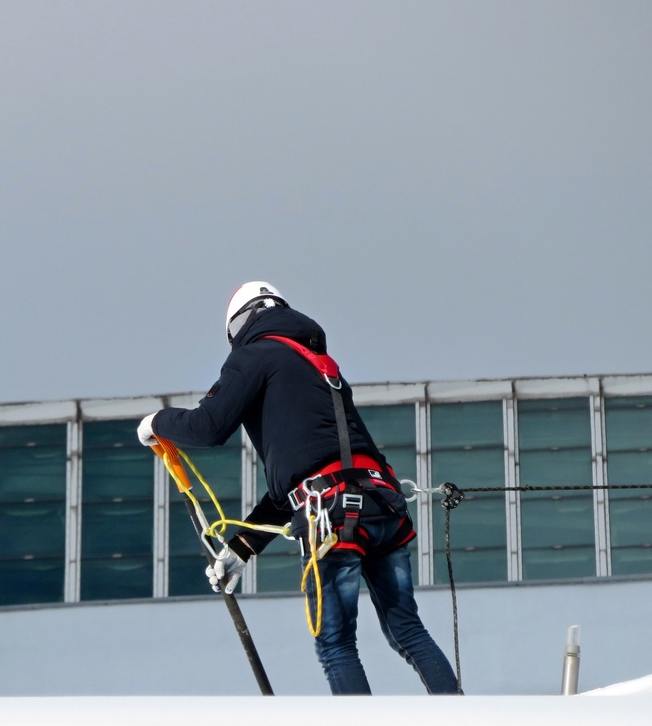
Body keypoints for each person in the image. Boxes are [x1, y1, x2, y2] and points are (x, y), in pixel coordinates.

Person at [137, 281, 460, 695]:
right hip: (382, 505)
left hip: (332, 516)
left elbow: (208, 426)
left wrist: (157, 422)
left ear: (239, 327)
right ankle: (459, 715)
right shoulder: (322, 366)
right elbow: (298, 484)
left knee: (336, 644)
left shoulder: (253, 356)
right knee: (408, 630)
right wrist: (241, 549)